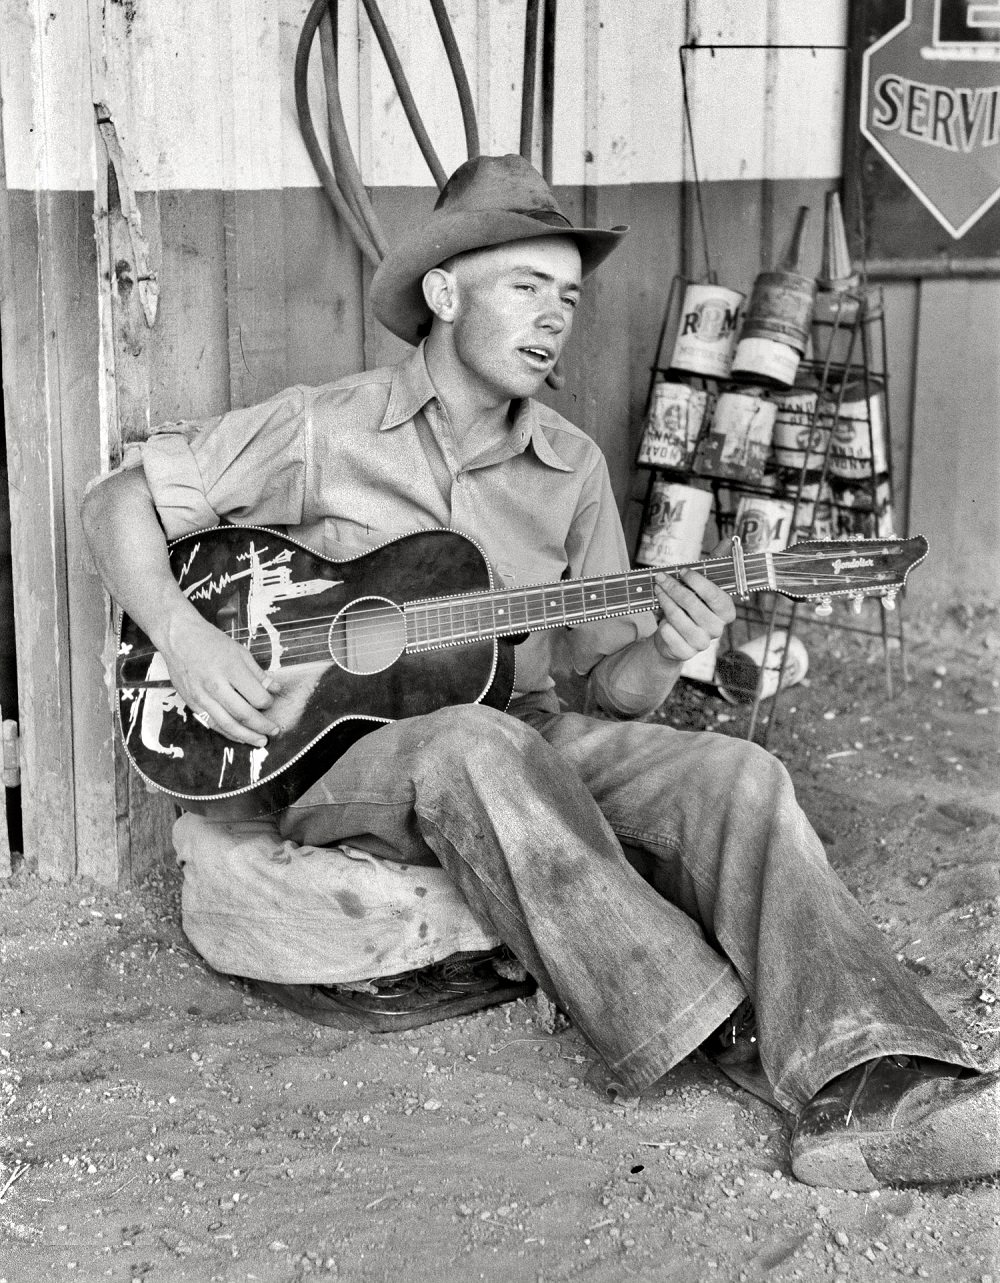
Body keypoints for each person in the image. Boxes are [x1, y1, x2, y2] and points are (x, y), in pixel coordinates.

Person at [82, 153, 998, 1193]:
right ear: (443, 292)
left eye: (568, 295)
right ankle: (719, 1023)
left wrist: (665, 646)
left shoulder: (569, 465)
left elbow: (601, 685)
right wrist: (187, 637)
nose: (555, 317)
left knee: (736, 774)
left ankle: (875, 1076)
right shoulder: (323, 426)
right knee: (477, 743)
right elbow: (113, 504)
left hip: (516, 734)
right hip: (339, 771)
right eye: (525, 287)